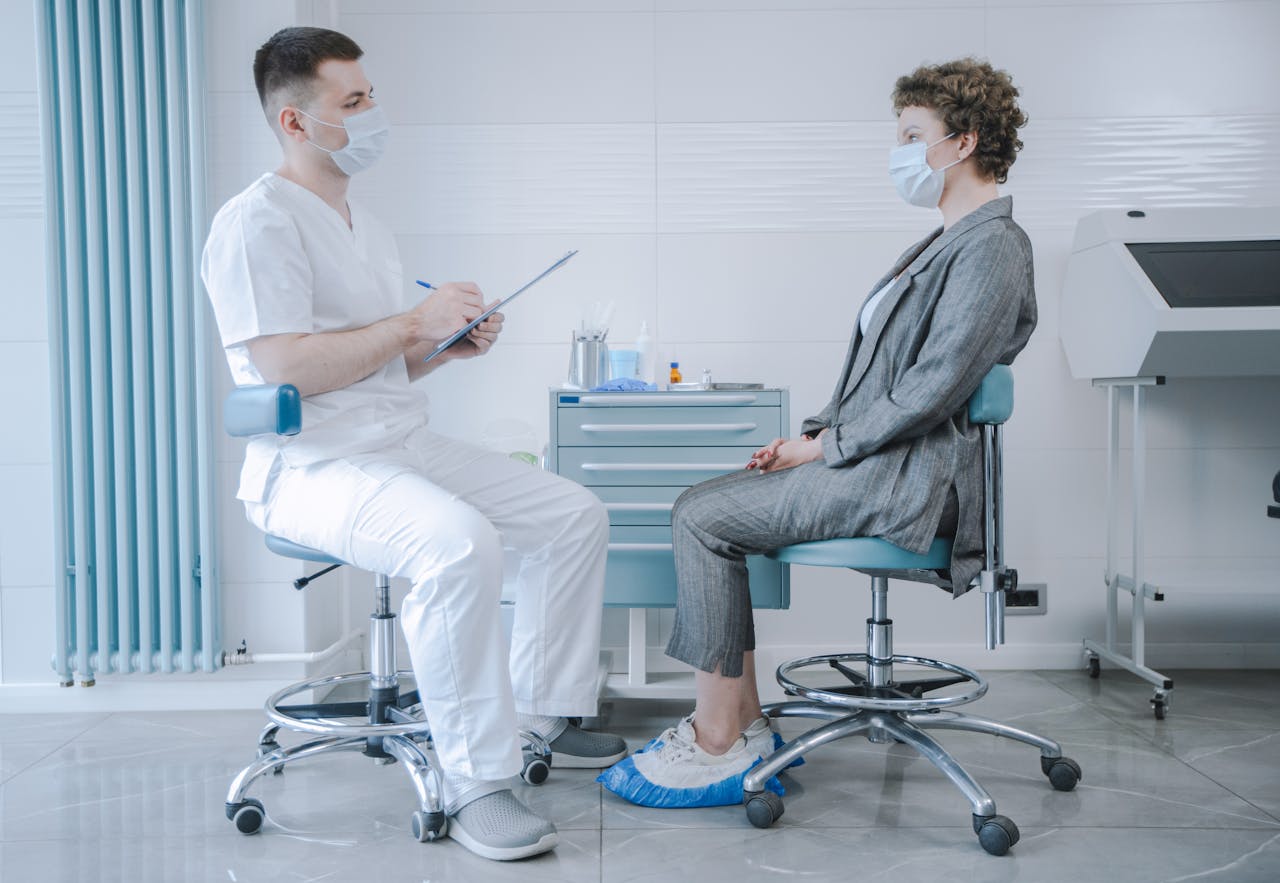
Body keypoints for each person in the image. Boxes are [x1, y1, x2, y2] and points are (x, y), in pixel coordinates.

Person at [201, 27, 627, 861]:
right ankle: (476, 782)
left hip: (396, 441)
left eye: (371, 97)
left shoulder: (366, 225)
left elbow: (372, 362)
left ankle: (544, 711)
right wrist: (410, 325)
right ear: (294, 122)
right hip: (314, 463)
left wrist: (441, 346)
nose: (373, 115)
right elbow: (283, 365)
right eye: (352, 103)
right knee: (459, 543)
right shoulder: (256, 223)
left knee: (572, 513)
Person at [598, 57, 1037, 808]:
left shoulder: (993, 245)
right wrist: (811, 434)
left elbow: (935, 385)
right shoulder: (945, 243)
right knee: (712, 503)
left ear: (962, 143)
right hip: (874, 462)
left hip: (907, 482)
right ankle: (743, 726)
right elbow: (887, 380)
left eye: (912, 135)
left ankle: (716, 740)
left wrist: (824, 449)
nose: (899, 151)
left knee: (701, 516)